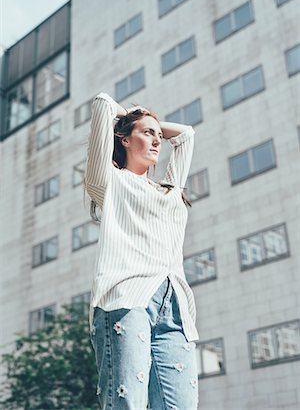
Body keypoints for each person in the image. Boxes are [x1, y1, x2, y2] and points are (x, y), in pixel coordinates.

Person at [83, 92, 200, 410]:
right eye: (147, 134)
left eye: (159, 135)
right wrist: (130, 118)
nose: (157, 140)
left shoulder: (170, 189)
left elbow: (187, 135)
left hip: (174, 307)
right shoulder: (109, 181)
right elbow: (102, 103)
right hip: (126, 300)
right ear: (122, 139)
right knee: (127, 403)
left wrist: (148, 123)